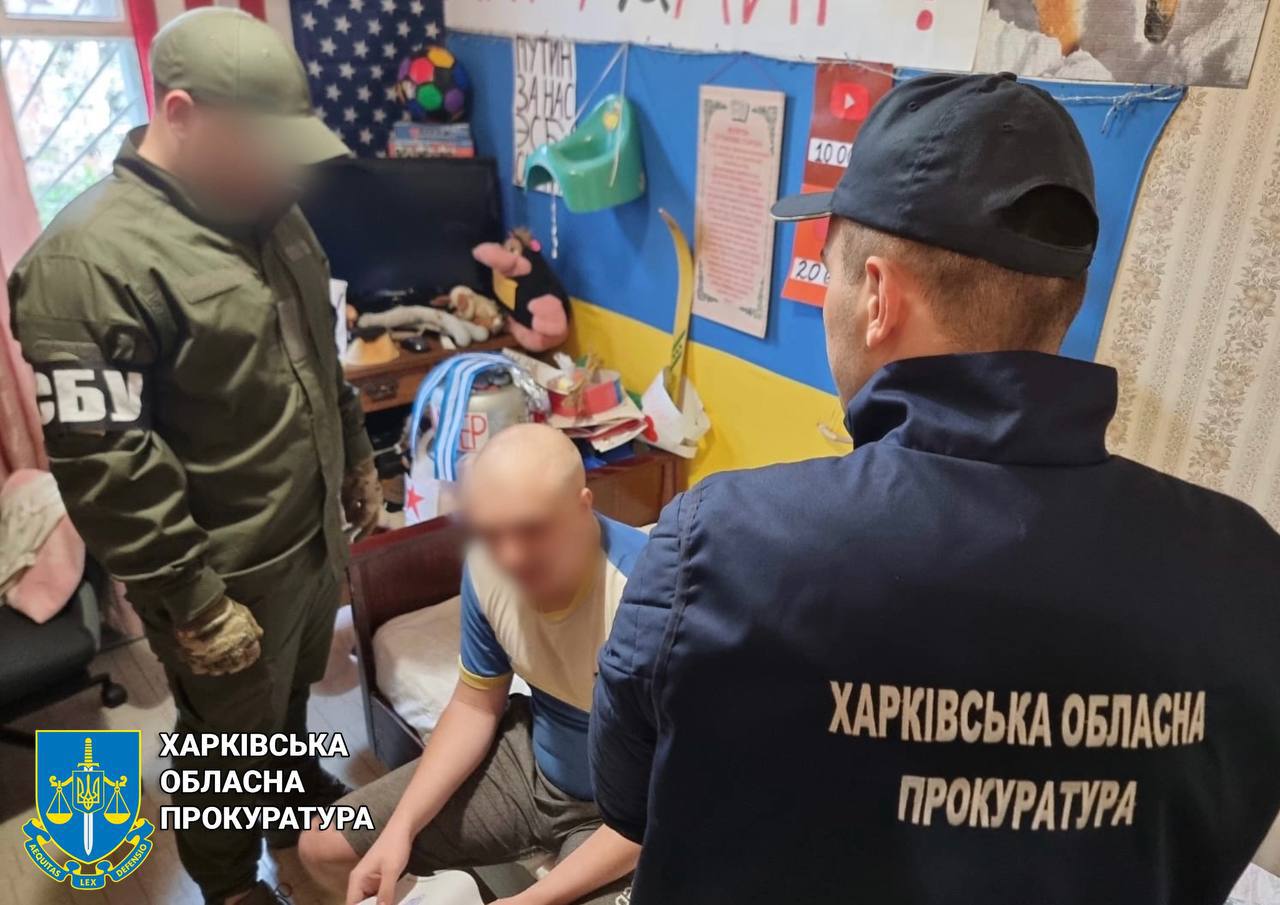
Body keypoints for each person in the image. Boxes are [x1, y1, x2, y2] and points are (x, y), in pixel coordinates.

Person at [590, 72, 1280, 905]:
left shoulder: (713, 548)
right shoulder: (1248, 571)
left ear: (878, 297)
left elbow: (628, 802)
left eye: (830, 275)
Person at [8, 9, 382, 905]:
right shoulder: (87, 263)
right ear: (180, 114)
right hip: (221, 568)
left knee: (286, 700)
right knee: (223, 738)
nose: (281, 168)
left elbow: (319, 354)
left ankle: (286, 791)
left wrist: (357, 457)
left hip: (305, 537)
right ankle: (228, 879)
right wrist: (194, 600)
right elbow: (109, 466)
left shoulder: (271, 211)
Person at [300, 424, 644, 905]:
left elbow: (670, 797)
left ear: (583, 506)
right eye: (493, 533)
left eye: (532, 530)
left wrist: (531, 899)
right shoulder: (488, 567)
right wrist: (400, 829)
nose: (512, 557)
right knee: (322, 845)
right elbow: (475, 705)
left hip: (627, 807)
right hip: (533, 763)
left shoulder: (649, 598)